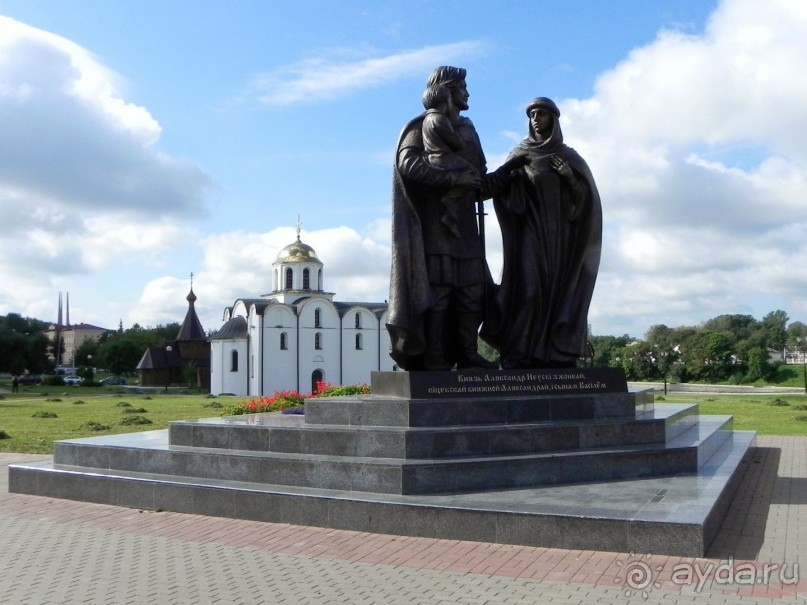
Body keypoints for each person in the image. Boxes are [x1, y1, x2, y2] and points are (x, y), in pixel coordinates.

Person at [386, 66, 527, 371]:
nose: (468, 94)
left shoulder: (468, 130)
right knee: (438, 291)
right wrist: (452, 179)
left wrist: (508, 174)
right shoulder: (420, 126)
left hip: (465, 226)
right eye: (463, 88)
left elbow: (479, 183)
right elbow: (409, 165)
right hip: (434, 225)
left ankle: (467, 352)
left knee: (472, 292)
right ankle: (435, 354)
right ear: (448, 91)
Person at [482, 97, 601, 369]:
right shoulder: (520, 153)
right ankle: (519, 353)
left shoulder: (569, 157)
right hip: (530, 235)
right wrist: (511, 176)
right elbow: (502, 191)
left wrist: (570, 177)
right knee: (530, 291)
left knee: (558, 293)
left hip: (561, 240)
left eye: (541, 114)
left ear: (554, 118)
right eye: (532, 114)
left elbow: (586, 204)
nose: (536, 118)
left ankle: (555, 354)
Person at [421, 82, 480, 239]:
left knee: (472, 175)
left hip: (436, 158)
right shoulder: (438, 120)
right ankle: (449, 201)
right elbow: (457, 143)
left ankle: (451, 210)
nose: (467, 94)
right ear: (447, 97)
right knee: (472, 172)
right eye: (463, 88)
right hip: (443, 159)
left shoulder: (427, 120)